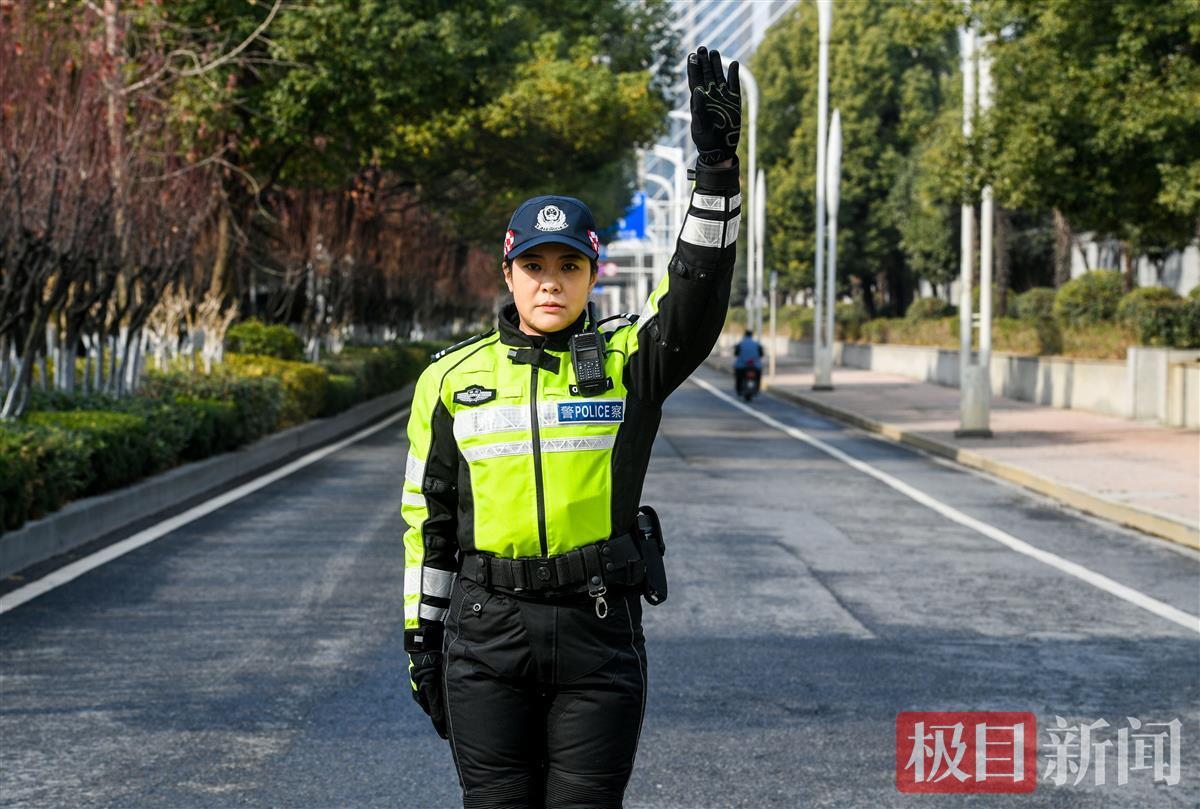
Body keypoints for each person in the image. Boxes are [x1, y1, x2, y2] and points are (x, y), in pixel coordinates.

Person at [400, 45, 741, 809]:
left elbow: (693, 298)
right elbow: (430, 522)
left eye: (568, 266)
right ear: (509, 272)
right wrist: (422, 640)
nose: (550, 281)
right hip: (486, 635)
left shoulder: (628, 360)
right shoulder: (450, 381)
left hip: (597, 628)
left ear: (593, 273)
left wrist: (715, 174)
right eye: (534, 266)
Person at [732, 328, 764, 397]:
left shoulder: (740, 343)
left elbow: (736, 353)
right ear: (752, 335)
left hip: (741, 365)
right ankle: (757, 389)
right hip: (755, 365)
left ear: (745, 335)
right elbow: (761, 354)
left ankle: (739, 389)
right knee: (758, 376)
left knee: (738, 377)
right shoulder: (756, 344)